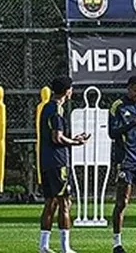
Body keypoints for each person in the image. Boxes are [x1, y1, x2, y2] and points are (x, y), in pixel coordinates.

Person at [38, 76, 90, 253]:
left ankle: (43, 245)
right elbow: (57, 137)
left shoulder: (46, 107)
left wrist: (72, 139)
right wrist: (76, 143)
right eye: (71, 88)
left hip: (45, 161)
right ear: (67, 90)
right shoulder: (56, 110)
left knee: (50, 202)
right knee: (65, 203)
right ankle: (65, 247)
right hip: (57, 162)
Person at [109, 75, 136, 253]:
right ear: (129, 88)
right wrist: (132, 123)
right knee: (122, 202)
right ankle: (117, 243)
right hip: (126, 161)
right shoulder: (118, 106)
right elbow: (113, 133)